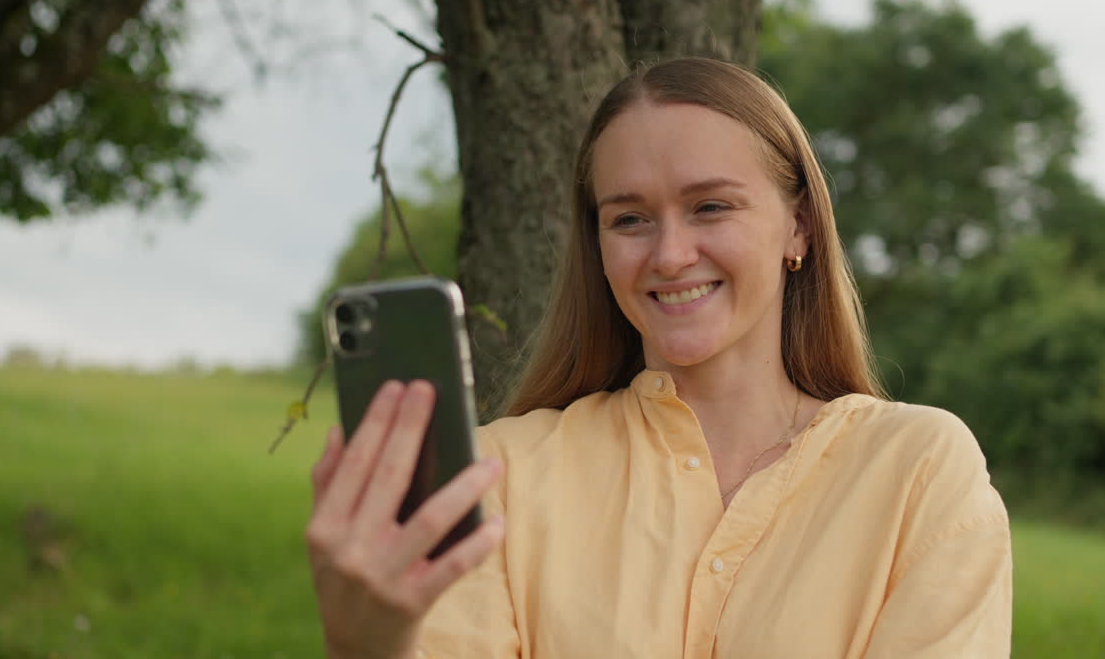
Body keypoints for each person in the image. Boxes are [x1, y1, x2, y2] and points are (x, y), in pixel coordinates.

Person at [304, 57, 1012, 659]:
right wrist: (369, 647)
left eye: (711, 207)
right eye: (630, 219)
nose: (670, 255)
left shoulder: (918, 470)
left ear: (798, 225)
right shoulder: (498, 477)